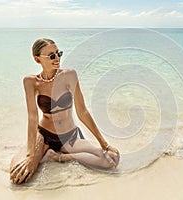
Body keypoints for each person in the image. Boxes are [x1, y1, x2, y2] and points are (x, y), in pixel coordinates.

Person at [10, 38, 120, 184]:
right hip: (44, 134)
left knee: (110, 161)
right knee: (18, 174)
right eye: (51, 56)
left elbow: (83, 112)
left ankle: (57, 157)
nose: (57, 58)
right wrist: (30, 155)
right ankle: (35, 150)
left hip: (69, 137)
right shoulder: (30, 82)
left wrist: (104, 144)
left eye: (58, 53)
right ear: (38, 59)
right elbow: (32, 118)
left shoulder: (69, 75)